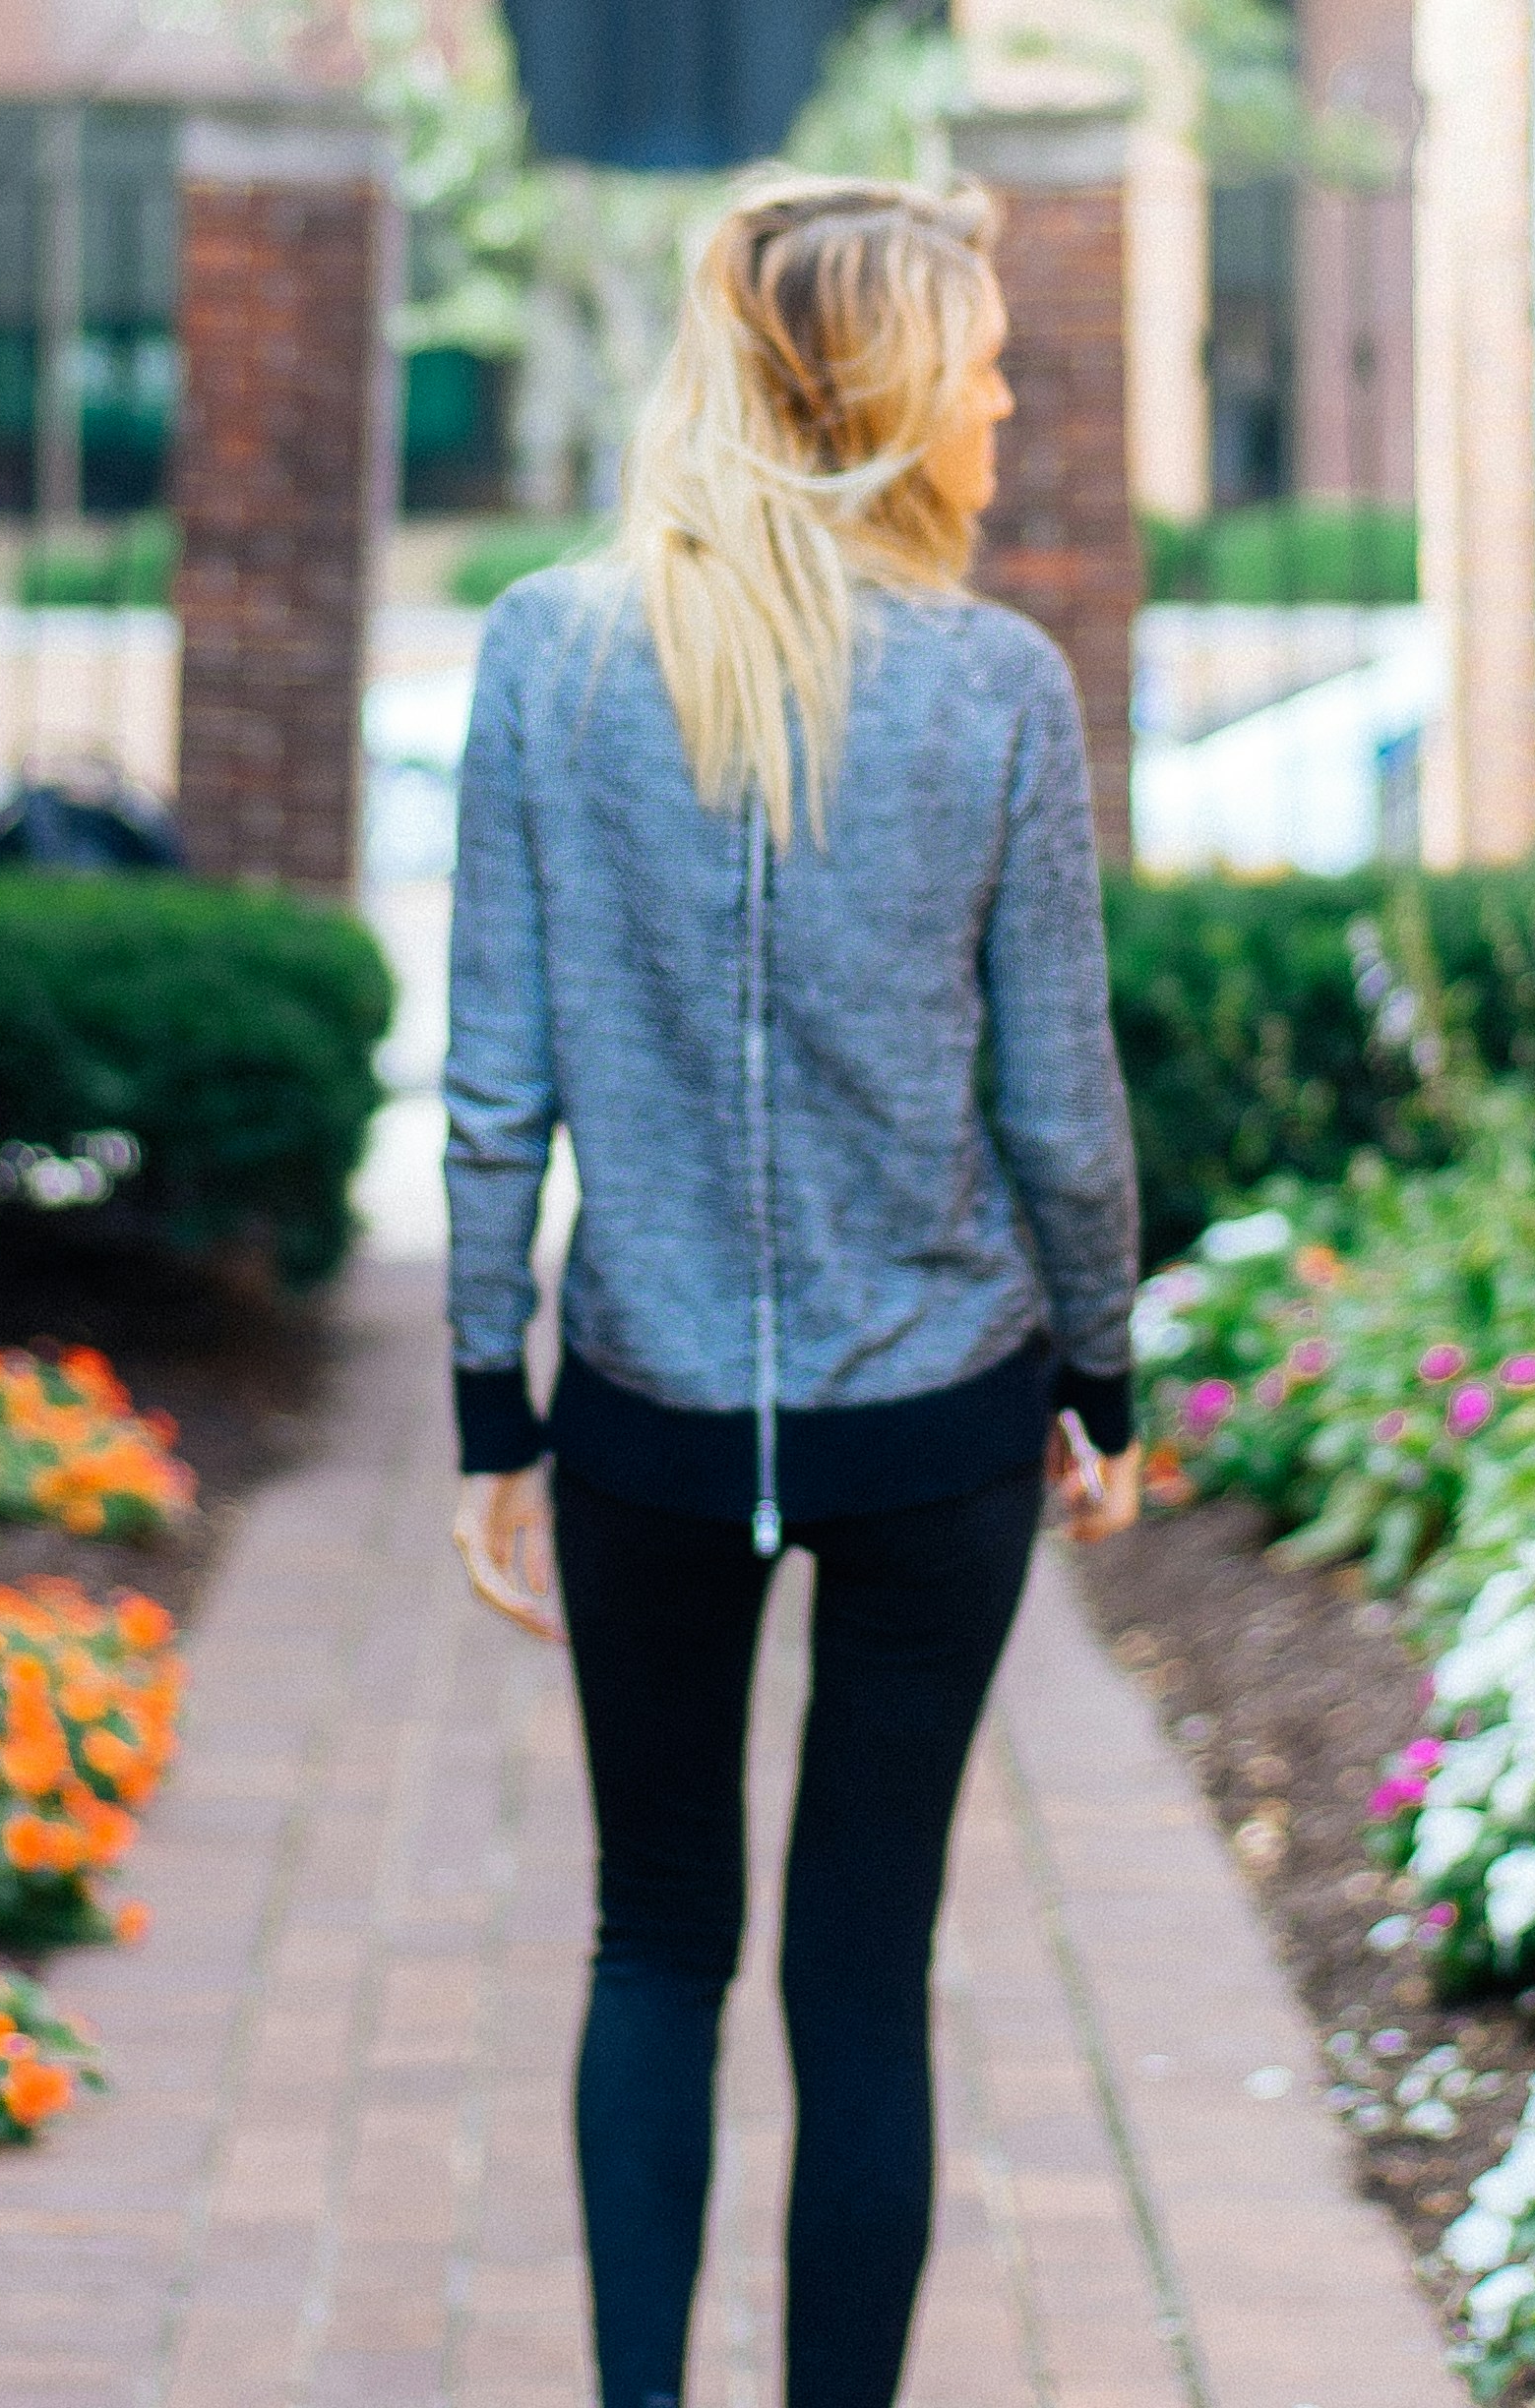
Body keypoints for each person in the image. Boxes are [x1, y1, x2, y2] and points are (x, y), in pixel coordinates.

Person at [441, 166, 1147, 2408]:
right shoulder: (993, 690)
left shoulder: (551, 653)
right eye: (985, 364)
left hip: (646, 1413)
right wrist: (1103, 1369)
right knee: (864, 1971)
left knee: (655, 1938)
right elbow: (1063, 1106)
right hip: (938, 1415)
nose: (1012, 399)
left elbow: (489, 1086)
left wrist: (493, 1402)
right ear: (886, 394)